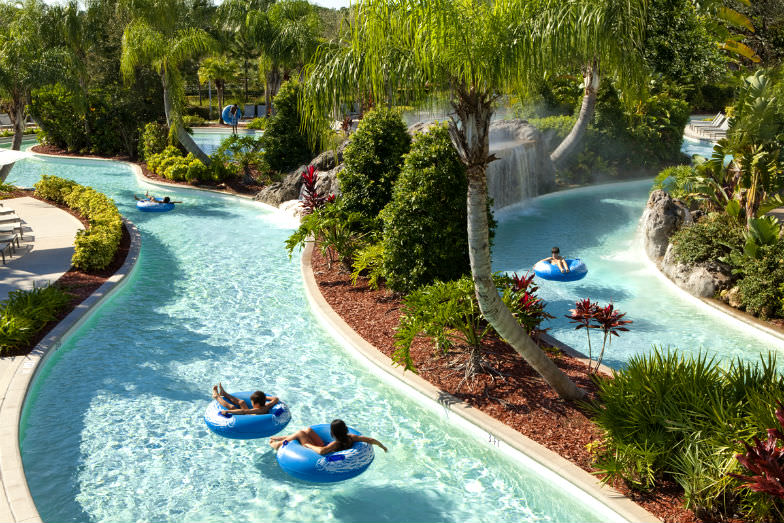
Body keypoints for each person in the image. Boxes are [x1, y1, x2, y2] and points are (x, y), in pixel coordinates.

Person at [269, 419, 388, 454]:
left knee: (301, 433)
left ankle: (278, 444)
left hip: (320, 452)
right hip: (326, 447)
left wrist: (308, 445)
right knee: (308, 430)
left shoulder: (335, 443)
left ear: (333, 433)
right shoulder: (351, 437)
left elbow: (322, 451)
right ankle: (283, 438)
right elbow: (370, 440)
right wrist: (382, 446)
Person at [211, 382, 278, 415]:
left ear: (257, 404)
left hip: (249, 417)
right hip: (250, 413)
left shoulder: (258, 410)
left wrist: (227, 411)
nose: (251, 403)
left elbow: (244, 411)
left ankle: (216, 397)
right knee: (242, 402)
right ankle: (224, 394)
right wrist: (263, 397)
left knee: (232, 407)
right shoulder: (267, 405)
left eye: (252, 402)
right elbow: (276, 399)